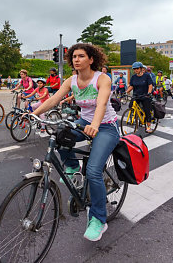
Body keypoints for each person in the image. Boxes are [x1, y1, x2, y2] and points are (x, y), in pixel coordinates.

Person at [29, 43, 119, 242]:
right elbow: (53, 100)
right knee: (60, 134)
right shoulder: (72, 80)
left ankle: (98, 219)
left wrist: (95, 124)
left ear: (91, 59)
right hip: (84, 123)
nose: (76, 59)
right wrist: (33, 114)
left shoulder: (102, 79)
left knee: (94, 171)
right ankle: (72, 169)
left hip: (106, 126)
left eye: (81, 56)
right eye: (74, 57)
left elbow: (102, 103)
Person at [126, 62, 154, 132]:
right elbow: (131, 86)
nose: (136, 70)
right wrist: (126, 92)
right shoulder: (133, 77)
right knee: (131, 105)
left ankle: (148, 126)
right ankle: (136, 116)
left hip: (145, 95)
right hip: (136, 95)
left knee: (147, 110)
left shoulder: (146, 76)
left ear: (141, 69)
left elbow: (150, 85)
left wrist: (149, 93)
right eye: (134, 69)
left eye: (137, 69)